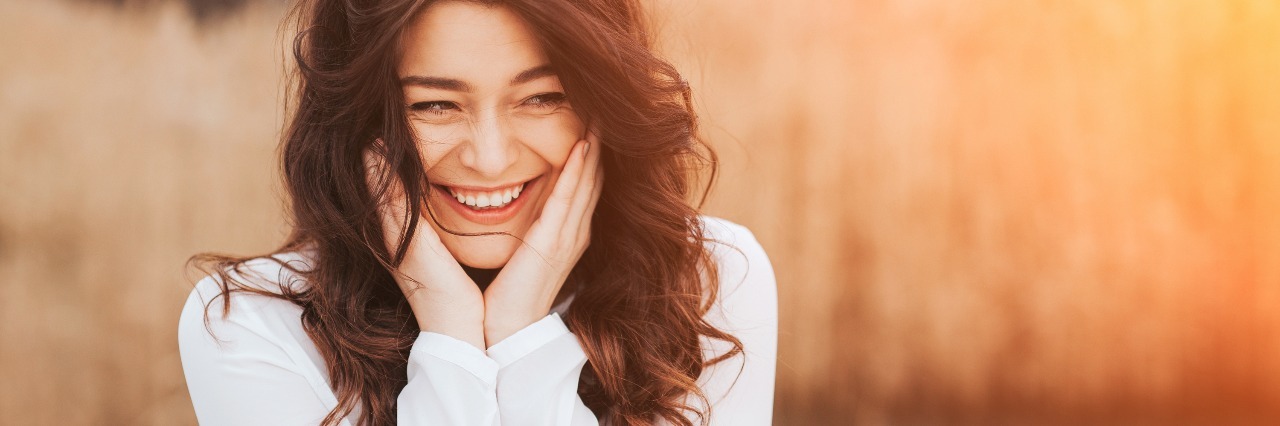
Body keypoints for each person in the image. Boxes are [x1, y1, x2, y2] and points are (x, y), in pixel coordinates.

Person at [176, 0, 777, 425]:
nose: (489, 159)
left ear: (603, 106)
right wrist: (454, 337)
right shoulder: (250, 323)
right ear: (358, 119)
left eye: (542, 97)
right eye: (435, 104)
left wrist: (521, 334)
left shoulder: (709, 279)